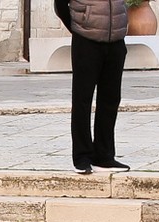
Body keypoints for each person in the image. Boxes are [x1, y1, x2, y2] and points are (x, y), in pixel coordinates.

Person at [54, 0, 129, 174]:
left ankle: (104, 156)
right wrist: (79, 27)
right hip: (86, 39)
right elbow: (60, 5)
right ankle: (82, 157)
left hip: (116, 39)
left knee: (110, 100)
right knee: (82, 99)